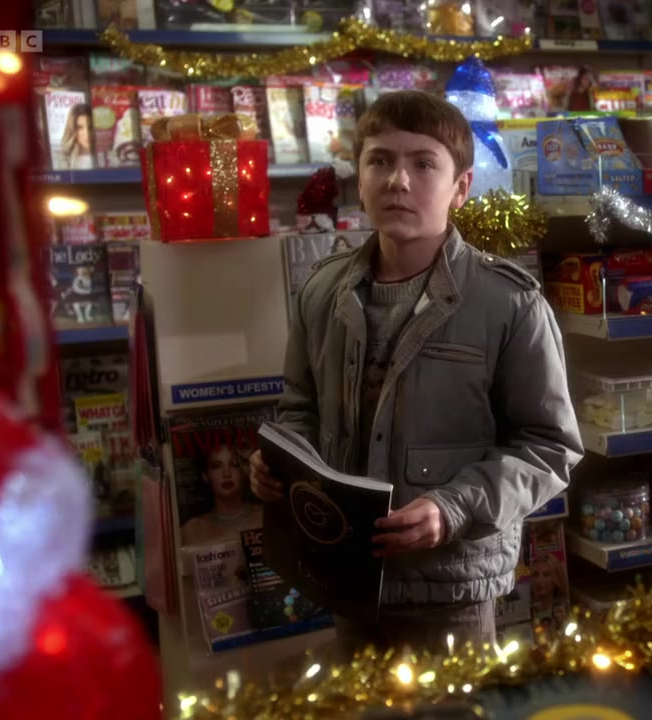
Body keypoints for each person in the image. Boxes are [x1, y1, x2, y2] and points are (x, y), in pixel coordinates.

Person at [249, 90, 582, 655]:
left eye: (424, 164)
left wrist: (453, 507)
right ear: (359, 178)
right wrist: (279, 463)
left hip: (449, 588)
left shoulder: (508, 303)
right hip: (345, 577)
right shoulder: (322, 292)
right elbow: (300, 408)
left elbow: (549, 446)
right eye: (379, 161)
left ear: (461, 187)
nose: (398, 181)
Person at [181, 443, 262, 547]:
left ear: (244, 471)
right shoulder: (192, 530)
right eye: (216, 466)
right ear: (205, 476)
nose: (226, 474)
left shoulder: (264, 517)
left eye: (234, 464)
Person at [61, 103, 93, 170]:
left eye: (90, 127)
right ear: (72, 129)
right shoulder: (64, 157)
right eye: (80, 127)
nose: (86, 133)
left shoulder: (106, 156)